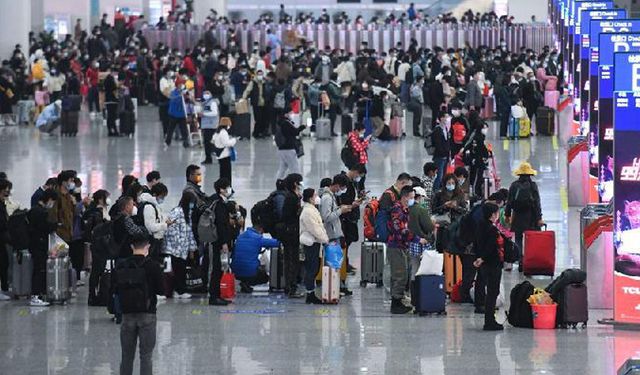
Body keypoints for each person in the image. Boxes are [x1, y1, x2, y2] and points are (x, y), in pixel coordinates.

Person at [116, 233, 164, 375]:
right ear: (148, 246)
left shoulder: (122, 265)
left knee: (126, 356)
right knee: (146, 356)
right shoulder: (153, 266)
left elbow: (115, 288)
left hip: (127, 314)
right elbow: (161, 290)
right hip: (147, 314)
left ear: (131, 246)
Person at [320, 174, 355, 296]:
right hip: (331, 235)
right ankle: (332, 288)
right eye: (342, 187)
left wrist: (340, 208)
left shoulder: (331, 196)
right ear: (336, 185)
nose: (342, 190)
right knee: (331, 263)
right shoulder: (327, 198)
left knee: (335, 263)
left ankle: (336, 286)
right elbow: (326, 217)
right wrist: (341, 211)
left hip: (334, 233)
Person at [504, 162, 543, 272]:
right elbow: (537, 203)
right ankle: (529, 262)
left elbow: (509, 202)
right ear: (530, 174)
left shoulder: (514, 185)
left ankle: (520, 261)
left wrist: (507, 215)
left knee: (518, 239)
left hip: (517, 216)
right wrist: (539, 217)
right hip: (531, 216)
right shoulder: (533, 186)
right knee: (530, 240)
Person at [473, 203, 505, 331]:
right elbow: (491, 247)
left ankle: (489, 319)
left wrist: (478, 258)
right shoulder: (492, 229)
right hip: (493, 263)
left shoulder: (479, 226)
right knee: (493, 292)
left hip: (484, 264)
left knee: (488, 290)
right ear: (492, 214)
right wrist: (483, 258)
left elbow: (477, 244)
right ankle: (489, 321)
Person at [232, 210, 281, 293]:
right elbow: (277, 243)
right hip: (250, 272)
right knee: (264, 277)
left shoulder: (241, 236)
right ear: (261, 230)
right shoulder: (258, 238)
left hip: (235, 271)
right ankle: (248, 282)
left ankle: (244, 283)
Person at [273, 173, 304, 298]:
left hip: (288, 232)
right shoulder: (291, 197)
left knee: (289, 259)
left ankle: (289, 286)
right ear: (295, 183)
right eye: (300, 182)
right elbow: (289, 215)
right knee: (292, 260)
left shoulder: (291, 196)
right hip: (291, 233)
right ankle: (292, 287)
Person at [204, 178, 234, 306]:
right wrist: (224, 242)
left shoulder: (215, 200)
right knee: (216, 268)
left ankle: (216, 295)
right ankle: (213, 296)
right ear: (221, 189)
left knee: (218, 267)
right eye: (227, 187)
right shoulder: (219, 204)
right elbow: (220, 225)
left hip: (214, 239)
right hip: (217, 241)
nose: (229, 190)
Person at [27, 189, 59, 306]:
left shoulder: (33, 210)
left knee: (38, 269)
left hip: (33, 244)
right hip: (39, 245)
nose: (52, 204)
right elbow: (43, 228)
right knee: (39, 270)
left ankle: (37, 294)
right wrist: (54, 226)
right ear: (49, 199)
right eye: (53, 201)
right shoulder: (41, 212)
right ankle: (35, 295)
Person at [387, 186, 415, 314]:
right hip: (396, 246)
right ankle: (396, 303)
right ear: (404, 197)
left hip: (403, 245)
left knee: (404, 273)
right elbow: (399, 229)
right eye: (411, 197)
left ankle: (399, 299)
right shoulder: (397, 210)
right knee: (399, 275)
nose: (413, 200)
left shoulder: (405, 209)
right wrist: (414, 237)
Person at [164, 192, 198, 299]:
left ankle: (179, 290)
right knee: (177, 270)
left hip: (182, 249)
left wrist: (192, 248)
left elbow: (189, 232)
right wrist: (177, 245)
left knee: (181, 270)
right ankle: (179, 290)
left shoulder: (188, 214)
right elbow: (170, 229)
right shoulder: (176, 212)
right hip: (175, 248)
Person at [299, 188, 329, 304]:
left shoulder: (311, 210)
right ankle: (310, 294)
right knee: (311, 268)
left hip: (315, 242)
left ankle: (311, 292)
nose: (317, 197)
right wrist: (325, 239)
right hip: (311, 243)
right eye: (315, 195)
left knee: (314, 268)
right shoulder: (308, 212)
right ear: (311, 198)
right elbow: (315, 229)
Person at [338, 164, 367, 274]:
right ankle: (343, 264)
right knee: (344, 241)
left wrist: (360, 195)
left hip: (352, 215)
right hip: (346, 217)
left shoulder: (353, 182)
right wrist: (353, 204)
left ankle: (346, 262)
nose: (359, 178)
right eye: (359, 175)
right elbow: (342, 200)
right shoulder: (344, 181)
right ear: (355, 171)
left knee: (349, 241)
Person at [84, 189, 112, 306]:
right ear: (101, 199)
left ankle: (97, 295)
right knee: (97, 271)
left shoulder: (100, 211)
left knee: (97, 271)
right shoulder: (96, 213)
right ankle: (93, 296)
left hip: (100, 246)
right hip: (99, 246)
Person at [407, 186, 435, 289]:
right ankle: (420, 290)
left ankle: (411, 290)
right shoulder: (421, 210)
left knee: (413, 267)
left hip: (410, 242)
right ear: (419, 197)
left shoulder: (406, 208)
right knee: (422, 268)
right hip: (421, 242)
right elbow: (429, 227)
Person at [138, 183, 169, 259]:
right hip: (152, 242)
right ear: (155, 194)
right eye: (162, 196)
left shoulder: (155, 205)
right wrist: (165, 225)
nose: (163, 199)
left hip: (157, 241)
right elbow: (150, 227)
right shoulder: (149, 207)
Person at [275, 111, 305, 180]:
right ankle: (297, 183)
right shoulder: (286, 123)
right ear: (286, 114)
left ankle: (278, 182)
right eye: (290, 112)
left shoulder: (280, 123)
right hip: (289, 149)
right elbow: (295, 132)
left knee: (282, 168)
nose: (292, 114)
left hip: (281, 149)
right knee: (295, 168)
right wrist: (302, 127)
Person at [242, 69, 269, 138]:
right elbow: (247, 90)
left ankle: (262, 132)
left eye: (261, 74)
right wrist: (243, 98)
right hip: (256, 103)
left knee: (264, 119)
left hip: (264, 103)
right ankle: (256, 133)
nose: (260, 76)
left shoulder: (265, 82)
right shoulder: (253, 82)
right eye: (259, 74)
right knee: (258, 119)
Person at [212, 117, 237, 184]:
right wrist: (234, 140)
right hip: (225, 155)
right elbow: (227, 143)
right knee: (227, 173)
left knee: (222, 172)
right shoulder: (223, 132)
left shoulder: (217, 132)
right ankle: (227, 187)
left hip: (219, 155)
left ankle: (222, 186)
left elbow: (213, 141)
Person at [165, 82, 189, 148]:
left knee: (184, 129)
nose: (182, 85)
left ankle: (185, 142)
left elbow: (187, 100)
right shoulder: (173, 92)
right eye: (180, 84)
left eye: (182, 84)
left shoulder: (184, 92)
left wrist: (186, 96)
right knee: (171, 129)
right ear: (177, 85)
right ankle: (168, 141)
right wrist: (180, 95)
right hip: (173, 114)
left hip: (182, 115)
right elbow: (173, 99)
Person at [432, 111, 451, 190]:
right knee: (438, 176)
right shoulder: (437, 130)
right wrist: (443, 153)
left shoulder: (446, 129)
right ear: (441, 118)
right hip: (439, 157)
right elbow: (437, 144)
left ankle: (442, 191)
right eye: (446, 117)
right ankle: (435, 191)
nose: (447, 119)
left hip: (445, 157)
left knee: (444, 175)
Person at [200, 90, 219, 165]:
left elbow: (214, 113)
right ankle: (208, 158)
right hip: (207, 125)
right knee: (208, 143)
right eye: (204, 93)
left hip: (211, 126)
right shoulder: (206, 103)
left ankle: (209, 159)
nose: (205, 95)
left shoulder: (212, 102)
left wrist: (204, 114)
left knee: (208, 143)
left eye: (207, 93)